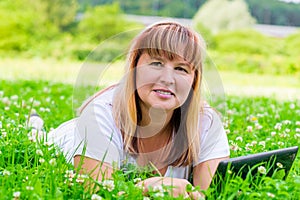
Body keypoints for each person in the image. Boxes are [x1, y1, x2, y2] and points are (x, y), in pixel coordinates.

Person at [46, 21, 230, 199]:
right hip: (67, 137)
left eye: (181, 69)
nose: (168, 79)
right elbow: (95, 192)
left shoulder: (206, 122)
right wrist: (145, 188)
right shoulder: (99, 116)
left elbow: (211, 193)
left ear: (193, 81)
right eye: (156, 63)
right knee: (39, 134)